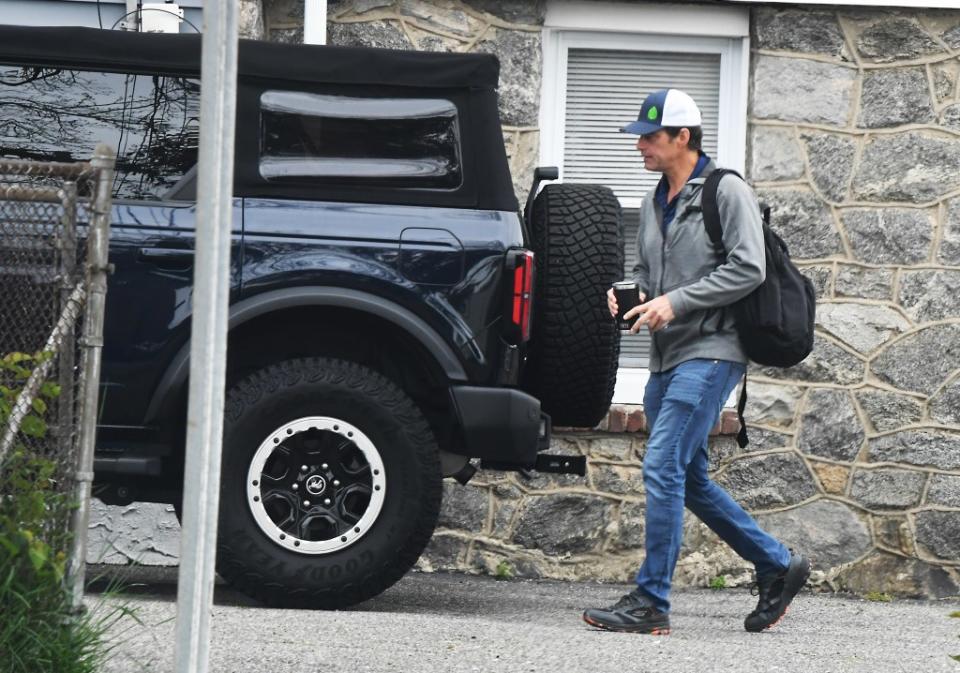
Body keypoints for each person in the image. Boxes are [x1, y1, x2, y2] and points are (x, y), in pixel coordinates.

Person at [583, 89, 810, 635]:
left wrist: (674, 302)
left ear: (682, 137)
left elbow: (749, 268)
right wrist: (631, 295)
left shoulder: (726, 191)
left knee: (661, 466)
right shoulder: (653, 201)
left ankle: (651, 602)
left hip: (712, 352)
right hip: (666, 358)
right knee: (688, 476)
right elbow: (647, 273)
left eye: (650, 136)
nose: (640, 145)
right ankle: (779, 564)